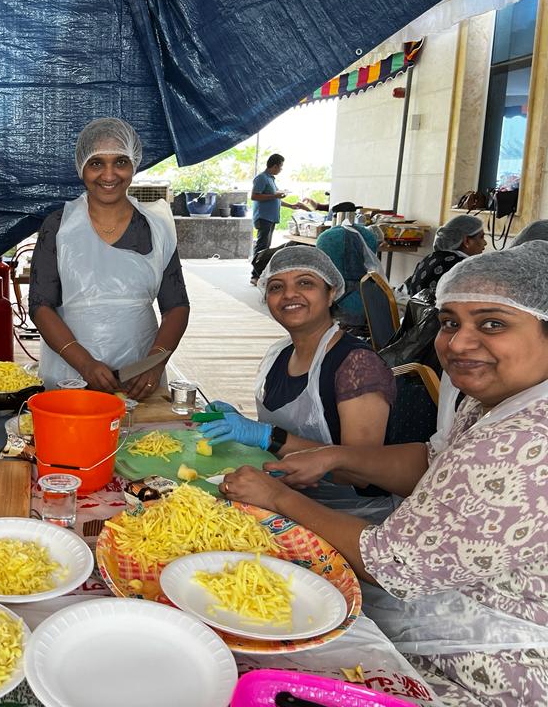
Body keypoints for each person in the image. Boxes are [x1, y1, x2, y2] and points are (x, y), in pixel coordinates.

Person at [219, 241, 548, 706]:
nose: (458, 343)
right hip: (425, 604)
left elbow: (393, 564)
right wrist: (334, 455)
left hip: (488, 667)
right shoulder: (494, 402)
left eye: (493, 323)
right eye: (450, 322)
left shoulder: (527, 442)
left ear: (334, 291)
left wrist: (278, 498)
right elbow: (432, 462)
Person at [199, 246, 395, 518]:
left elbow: (360, 472)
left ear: (331, 293)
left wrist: (266, 436)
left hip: (347, 515)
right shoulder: (278, 355)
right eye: (276, 287)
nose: (289, 294)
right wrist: (245, 426)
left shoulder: (358, 366)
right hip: (284, 495)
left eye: (305, 283)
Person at [29, 118, 190, 399]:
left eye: (120, 162)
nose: (109, 174)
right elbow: (41, 306)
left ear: (133, 165)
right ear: (82, 168)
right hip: (72, 377)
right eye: (96, 163)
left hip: (140, 378)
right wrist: (85, 364)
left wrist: (154, 363)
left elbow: (176, 306)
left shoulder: (156, 226)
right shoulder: (59, 226)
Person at [315, 203, 383, 330]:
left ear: (334, 216)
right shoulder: (368, 236)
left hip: (334, 299)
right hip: (366, 298)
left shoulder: (325, 238)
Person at [250, 153, 306, 284]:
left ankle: (261, 273)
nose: (281, 169)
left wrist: (290, 205)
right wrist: (275, 196)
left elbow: (275, 198)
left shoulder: (271, 179)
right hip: (263, 217)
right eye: (281, 167)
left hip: (271, 217)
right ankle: (255, 275)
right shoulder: (261, 178)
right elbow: (255, 196)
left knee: (266, 246)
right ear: (274, 166)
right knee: (261, 246)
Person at [403, 214, 486, 295]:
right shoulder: (464, 267)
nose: (485, 243)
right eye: (481, 237)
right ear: (466, 241)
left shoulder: (429, 258)